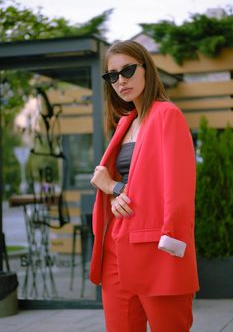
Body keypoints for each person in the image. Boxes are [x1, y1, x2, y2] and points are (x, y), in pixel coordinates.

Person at [90, 40, 199, 332]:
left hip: (157, 249)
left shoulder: (166, 115)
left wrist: (112, 186)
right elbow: (134, 186)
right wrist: (113, 191)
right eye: (112, 75)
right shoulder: (125, 123)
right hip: (117, 247)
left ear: (146, 69)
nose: (121, 80)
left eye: (127, 70)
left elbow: (177, 191)